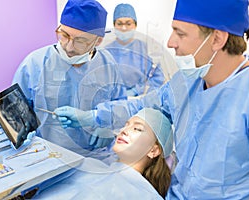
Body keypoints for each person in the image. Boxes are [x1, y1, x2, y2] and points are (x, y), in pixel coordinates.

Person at [53, 0, 249, 198]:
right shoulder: (187, 82)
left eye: (180, 33)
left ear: (217, 39)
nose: (171, 43)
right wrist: (94, 116)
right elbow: (142, 105)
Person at [12, 0, 127, 159]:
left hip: (96, 158)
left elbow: (120, 107)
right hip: (46, 156)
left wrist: (109, 130)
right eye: (64, 35)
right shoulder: (34, 64)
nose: (69, 47)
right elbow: (16, 113)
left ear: (98, 40)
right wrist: (20, 132)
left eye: (80, 41)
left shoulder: (108, 65)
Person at [34, 108, 173, 199]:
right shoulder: (89, 165)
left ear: (153, 151)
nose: (124, 130)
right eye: (126, 124)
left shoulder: (147, 196)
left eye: (137, 128)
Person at [104, 3, 165, 97]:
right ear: (114, 25)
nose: (124, 28)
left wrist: (140, 92)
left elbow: (157, 77)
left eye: (128, 24)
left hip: (140, 100)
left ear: (135, 25)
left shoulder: (146, 49)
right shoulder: (106, 51)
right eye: (119, 24)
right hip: (112, 101)